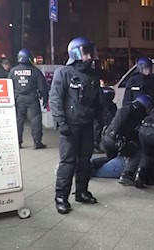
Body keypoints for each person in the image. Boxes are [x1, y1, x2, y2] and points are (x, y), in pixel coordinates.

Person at [49, 37, 102, 214]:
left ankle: (81, 192)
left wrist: (100, 119)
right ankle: (61, 198)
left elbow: (97, 100)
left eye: (90, 52)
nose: (89, 57)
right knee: (68, 162)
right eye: (86, 53)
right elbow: (55, 99)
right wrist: (61, 123)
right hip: (70, 127)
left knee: (85, 160)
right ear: (76, 53)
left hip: (86, 125)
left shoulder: (93, 74)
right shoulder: (64, 73)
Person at [100, 95, 154, 186]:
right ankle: (126, 175)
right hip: (116, 140)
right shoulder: (138, 111)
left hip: (106, 138)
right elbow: (137, 132)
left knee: (111, 159)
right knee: (139, 150)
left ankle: (91, 165)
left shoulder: (127, 107)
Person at [8, 48, 48, 149]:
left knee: (18, 120)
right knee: (35, 120)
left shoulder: (13, 71)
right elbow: (43, 87)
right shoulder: (35, 71)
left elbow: (8, 86)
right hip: (32, 99)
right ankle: (37, 142)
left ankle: (18, 142)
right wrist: (45, 99)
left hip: (18, 99)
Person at [93, 85, 117, 152]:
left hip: (107, 126)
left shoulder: (112, 106)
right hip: (101, 121)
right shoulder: (101, 105)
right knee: (97, 127)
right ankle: (95, 144)